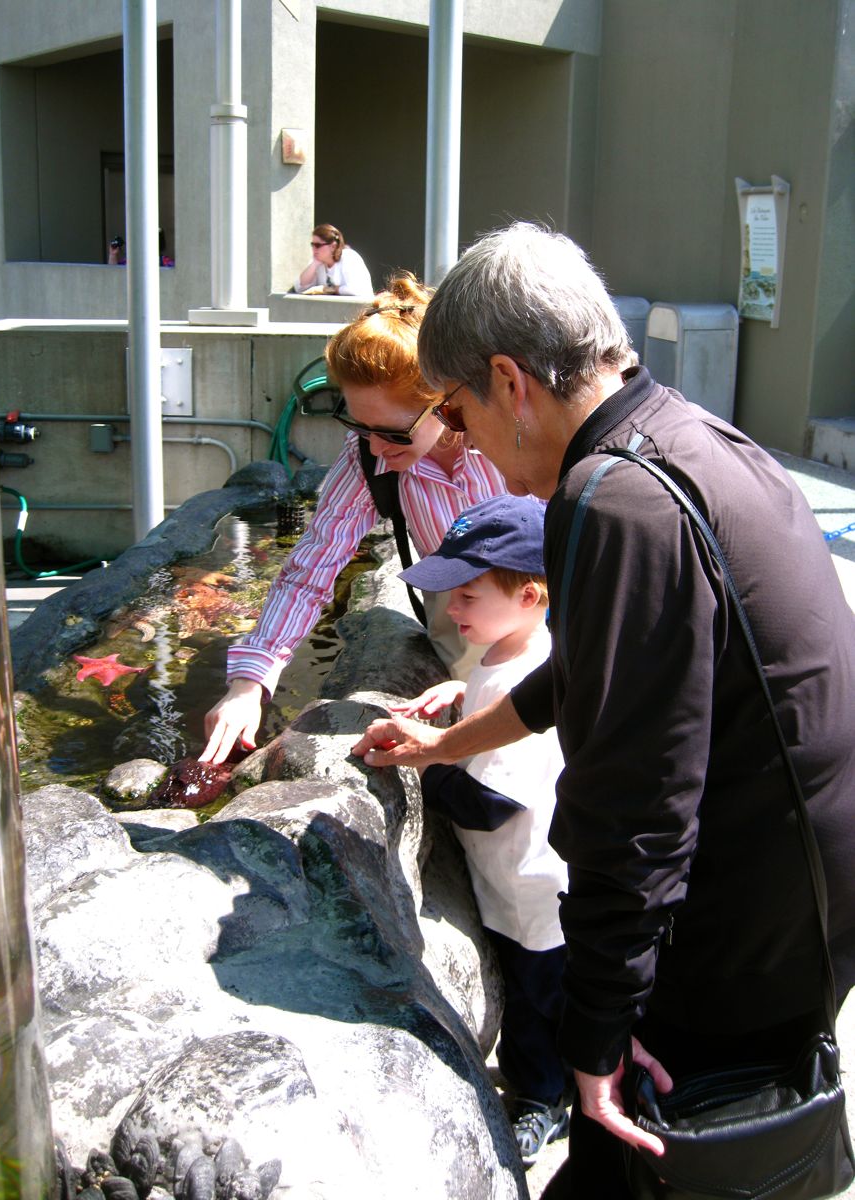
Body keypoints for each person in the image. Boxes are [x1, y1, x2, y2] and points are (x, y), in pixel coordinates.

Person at [351, 223, 855, 1197]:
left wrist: (598, 1028)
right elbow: (581, 680)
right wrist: (444, 742)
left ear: (509, 381)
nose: (461, 446)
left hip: (743, 931)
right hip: (812, 900)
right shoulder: (688, 438)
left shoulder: (608, 498)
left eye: (454, 412)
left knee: (632, 1165)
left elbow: (636, 801)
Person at [199, 272, 510, 766]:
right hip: (458, 607)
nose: (377, 448)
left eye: (393, 433)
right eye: (359, 426)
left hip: (549, 603)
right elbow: (312, 568)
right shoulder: (369, 456)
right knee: (473, 750)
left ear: (446, 402)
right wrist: (248, 683)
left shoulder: (510, 438)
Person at [392, 494, 571, 1167]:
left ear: (529, 596)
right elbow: (489, 715)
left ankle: (539, 1101)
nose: (453, 612)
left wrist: (420, 767)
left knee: (536, 1004)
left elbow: (489, 800)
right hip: (518, 881)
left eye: (467, 596)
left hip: (535, 892)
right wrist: (459, 702)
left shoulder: (521, 676)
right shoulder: (517, 654)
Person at [293, 224, 373, 296]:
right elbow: (300, 288)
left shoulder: (349, 257)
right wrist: (314, 264)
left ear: (333, 246)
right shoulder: (319, 262)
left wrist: (333, 290)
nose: (314, 249)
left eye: (317, 245)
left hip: (358, 310)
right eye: (312, 245)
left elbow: (358, 289)